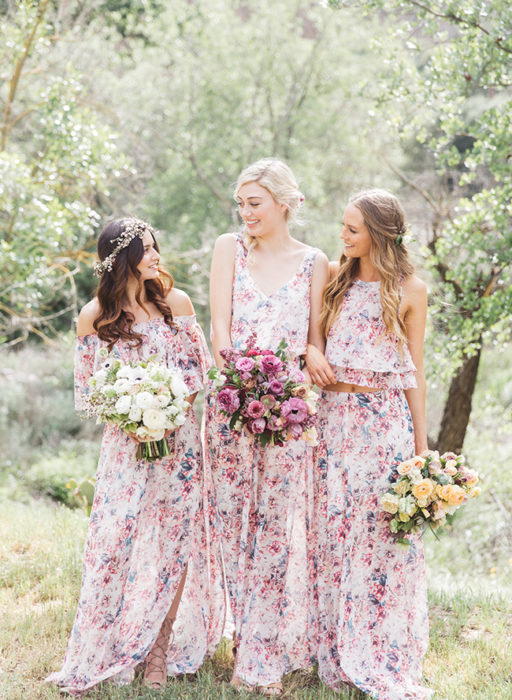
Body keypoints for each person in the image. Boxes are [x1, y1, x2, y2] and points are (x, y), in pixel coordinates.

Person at [46, 218, 223, 695]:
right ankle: (101, 648)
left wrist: (168, 414)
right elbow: (88, 395)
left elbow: (200, 374)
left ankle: (159, 654)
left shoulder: (176, 305)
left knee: (175, 545)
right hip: (125, 452)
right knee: (114, 545)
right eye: (146, 249)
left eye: (156, 246)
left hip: (180, 447)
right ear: (118, 258)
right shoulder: (93, 317)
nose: (156, 256)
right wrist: (135, 419)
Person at [205, 158, 329, 696]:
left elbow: (315, 337)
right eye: (242, 204)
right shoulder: (228, 249)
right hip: (231, 406)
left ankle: (258, 657)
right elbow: (219, 327)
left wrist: (300, 369)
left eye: (254, 203)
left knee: (276, 530)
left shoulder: (315, 261)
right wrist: (239, 379)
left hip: (288, 415)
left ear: (283, 202)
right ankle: (240, 630)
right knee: (233, 527)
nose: (245, 212)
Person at [306, 189, 432, 699]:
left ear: (379, 233)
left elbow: (415, 374)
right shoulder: (334, 281)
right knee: (332, 534)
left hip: (385, 428)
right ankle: (333, 648)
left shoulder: (410, 290)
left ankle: (380, 647)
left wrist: (422, 452)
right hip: (333, 421)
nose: (342, 235)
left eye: (352, 229)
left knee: (380, 539)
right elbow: (310, 341)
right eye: (343, 226)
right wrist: (313, 352)